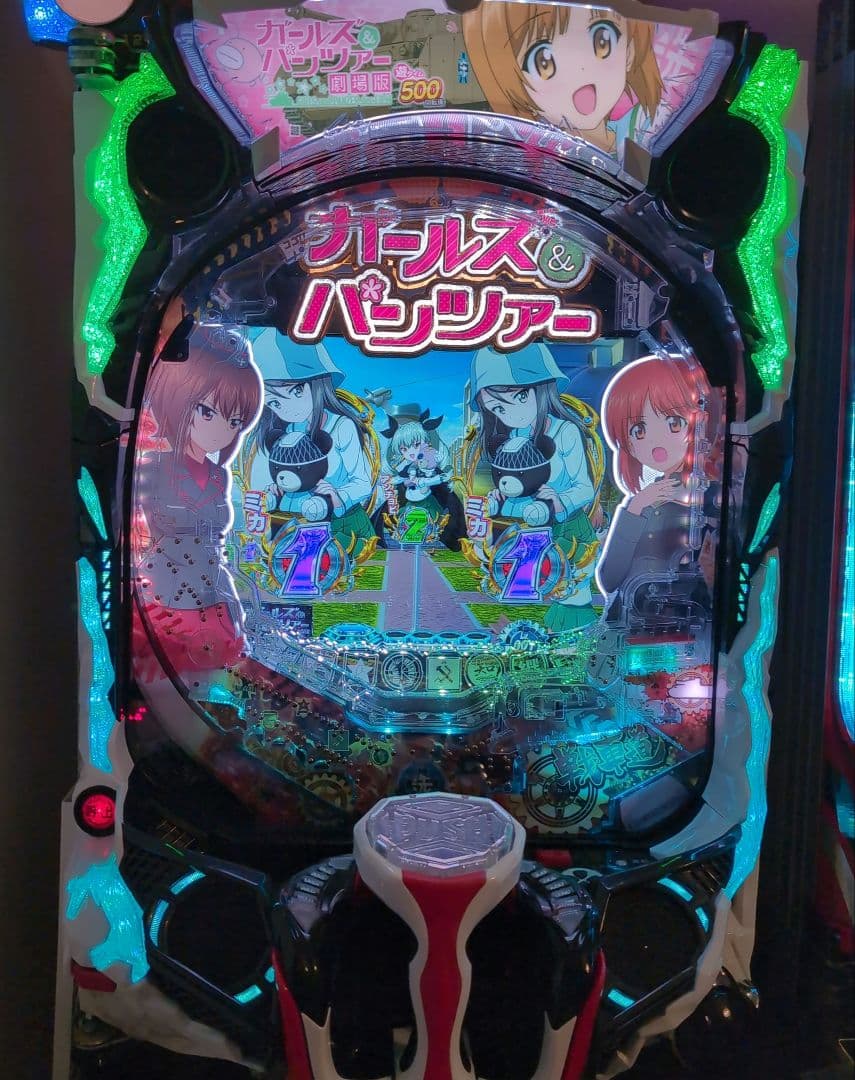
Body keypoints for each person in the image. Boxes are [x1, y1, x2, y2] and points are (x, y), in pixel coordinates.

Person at [133, 324, 262, 676]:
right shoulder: (152, 466)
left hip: (213, 593)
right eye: (207, 412)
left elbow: (214, 540)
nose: (222, 430)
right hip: (163, 598)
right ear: (178, 401)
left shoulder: (218, 476)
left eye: (234, 420)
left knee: (220, 681)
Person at [470, 343, 601, 632]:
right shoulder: (514, 435)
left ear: (537, 390)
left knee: (571, 598)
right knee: (522, 594)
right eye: (497, 409)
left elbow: (584, 488)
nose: (507, 415)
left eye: (518, 398)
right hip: (529, 531)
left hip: (567, 528)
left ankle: (574, 647)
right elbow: (519, 488)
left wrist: (558, 501)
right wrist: (500, 499)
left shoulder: (565, 431)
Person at [595, 354, 721, 627]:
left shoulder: (712, 499)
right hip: (630, 625)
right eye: (638, 430)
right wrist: (635, 508)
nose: (655, 442)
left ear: (702, 422)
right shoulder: (646, 500)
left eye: (674, 423)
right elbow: (609, 578)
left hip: (680, 628)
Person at [462, 2, 663, 162]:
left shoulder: (640, 130)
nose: (580, 70)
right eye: (543, 62)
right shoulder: (534, 153)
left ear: (630, 50)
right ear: (512, 85)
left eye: (602, 40)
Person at [249, 328, 376, 558]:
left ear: (316, 383)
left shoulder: (342, 427)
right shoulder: (289, 430)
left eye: (296, 391)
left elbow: (363, 483)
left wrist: (336, 496)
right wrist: (278, 488)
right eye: (274, 403)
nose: (287, 408)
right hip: (295, 522)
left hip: (341, 525)